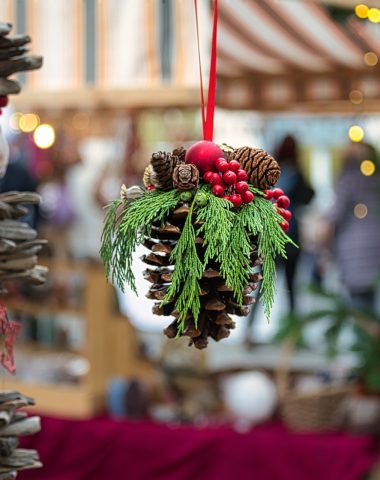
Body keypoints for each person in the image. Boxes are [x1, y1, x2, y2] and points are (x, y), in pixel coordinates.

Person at [245, 135, 313, 346]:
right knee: (292, 289)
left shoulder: (270, 175)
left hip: (270, 239)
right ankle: (294, 337)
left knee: (263, 286)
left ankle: (249, 333)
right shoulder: (298, 175)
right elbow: (310, 195)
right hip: (290, 240)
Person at [329, 142, 380, 311]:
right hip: (375, 248)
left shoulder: (347, 181)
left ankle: (366, 336)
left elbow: (335, 215)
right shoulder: (375, 180)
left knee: (360, 311)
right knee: (370, 302)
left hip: (354, 249)